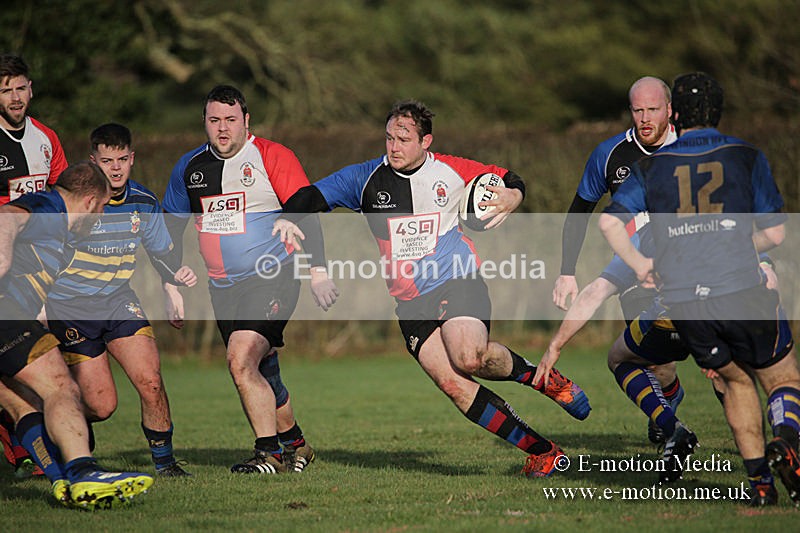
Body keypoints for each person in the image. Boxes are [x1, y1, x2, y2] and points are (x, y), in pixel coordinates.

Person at [274, 99, 590, 477]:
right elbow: (310, 197)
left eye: (403, 139)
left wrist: (512, 197)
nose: (393, 146)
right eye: (389, 137)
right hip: (410, 302)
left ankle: (543, 378)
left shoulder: (452, 170)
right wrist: (290, 218)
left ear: (426, 142)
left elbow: (510, 178)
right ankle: (542, 451)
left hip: (457, 278)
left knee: (469, 356)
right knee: (454, 385)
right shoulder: (364, 178)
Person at [599, 72, 800, 506]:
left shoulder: (650, 166)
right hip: (741, 289)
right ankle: (786, 440)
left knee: (734, 383)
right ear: (719, 111)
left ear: (674, 114)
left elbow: (608, 221)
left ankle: (761, 486)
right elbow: (777, 235)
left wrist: (640, 264)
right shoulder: (744, 155)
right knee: (781, 377)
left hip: (688, 302)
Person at [163, 85, 337, 474]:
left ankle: (268, 454)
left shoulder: (273, 156)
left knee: (240, 360)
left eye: (230, 120)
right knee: (261, 368)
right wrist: (169, 283)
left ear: (246, 121)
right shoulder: (189, 168)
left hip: (273, 276)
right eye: (214, 121)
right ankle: (298, 446)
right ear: (204, 123)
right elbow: (170, 230)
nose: (222, 129)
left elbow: (305, 210)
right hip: (222, 286)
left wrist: (318, 271)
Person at [44, 124, 196, 476]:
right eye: (107, 160)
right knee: (101, 406)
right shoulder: (70, 203)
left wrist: (172, 286)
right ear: (92, 160)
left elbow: (161, 254)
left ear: (132, 159)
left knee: (151, 380)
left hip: (118, 302)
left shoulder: (143, 202)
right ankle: (61, 425)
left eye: (122, 160)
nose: (115, 168)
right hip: (70, 310)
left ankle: (165, 464)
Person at [0, 161, 154, 508]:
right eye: (100, 208)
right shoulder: (52, 206)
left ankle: (61, 482)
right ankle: (85, 472)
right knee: (61, 387)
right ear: (87, 201)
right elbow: (6, 217)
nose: (100, 217)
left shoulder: (60, 235)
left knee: (23, 403)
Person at [552, 76, 685, 443]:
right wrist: (566, 272)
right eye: (638, 110)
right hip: (636, 269)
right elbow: (578, 212)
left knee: (718, 366)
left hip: (690, 269)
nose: (644, 118)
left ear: (670, 110)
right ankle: (669, 423)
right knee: (656, 363)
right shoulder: (609, 154)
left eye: (653, 110)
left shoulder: (693, 149)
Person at [0, 52, 70, 476]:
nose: (14, 97)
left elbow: (61, 198)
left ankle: (33, 443)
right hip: (5, 268)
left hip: (41, 264)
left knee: (40, 362)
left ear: (31, 89)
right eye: (5, 90)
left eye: (20, 87)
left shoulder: (46, 138)